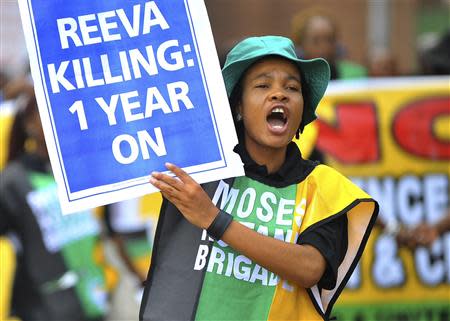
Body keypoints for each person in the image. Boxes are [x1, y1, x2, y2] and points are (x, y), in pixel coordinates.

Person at [139, 36, 378, 321]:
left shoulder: (324, 187)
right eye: (263, 85)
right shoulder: (199, 170)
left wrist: (213, 219)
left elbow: (310, 268)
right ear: (238, 106)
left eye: (292, 87)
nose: (280, 94)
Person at [0, 93, 117, 321]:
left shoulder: (87, 166)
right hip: (44, 306)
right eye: (45, 114)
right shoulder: (12, 180)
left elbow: (110, 227)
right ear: (29, 123)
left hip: (95, 296)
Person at [291, 8, 367, 80]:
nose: (324, 47)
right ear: (301, 43)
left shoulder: (356, 76)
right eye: (316, 41)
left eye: (330, 39)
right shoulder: (293, 79)